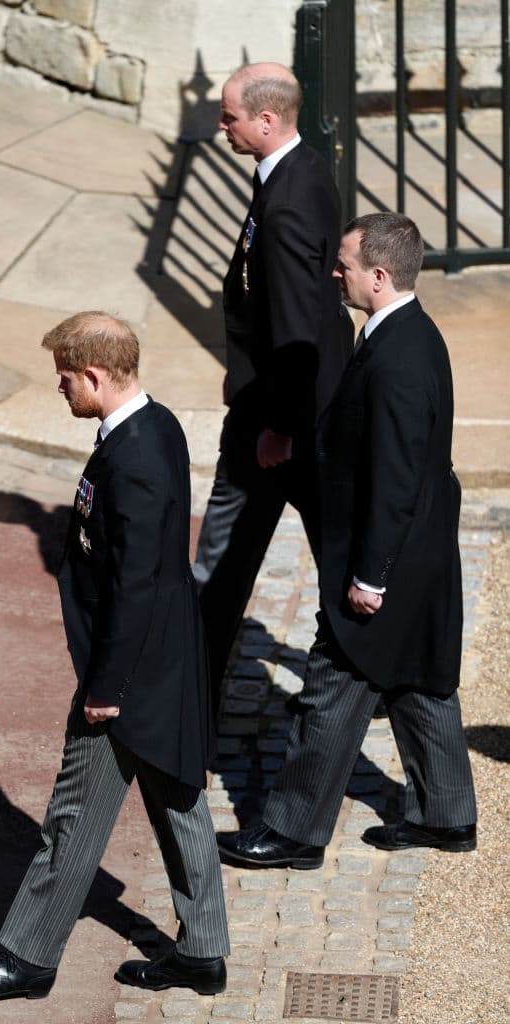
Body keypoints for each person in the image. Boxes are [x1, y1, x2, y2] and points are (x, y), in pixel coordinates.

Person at [0, 312, 230, 1000]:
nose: (60, 389)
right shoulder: (152, 426)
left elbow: (131, 583)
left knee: (71, 817)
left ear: (94, 375)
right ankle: (202, 950)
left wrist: (105, 686)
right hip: (163, 664)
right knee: (177, 799)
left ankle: (25, 957)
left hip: (125, 673)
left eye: (65, 378)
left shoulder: (131, 457)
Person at [217, 213, 477, 869]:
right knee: (417, 682)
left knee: (331, 686)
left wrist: (369, 578)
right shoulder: (404, 335)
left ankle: (292, 832)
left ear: (379, 276)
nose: (335, 273)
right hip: (416, 551)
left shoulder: (397, 362)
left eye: (345, 265)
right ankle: (446, 816)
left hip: (386, 557)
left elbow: (391, 479)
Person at [192, 62, 353, 711]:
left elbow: (292, 333)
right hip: (294, 410)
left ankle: (187, 700)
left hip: (280, 417)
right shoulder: (303, 168)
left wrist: (277, 429)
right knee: (324, 557)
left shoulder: (283, 206)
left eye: (228, 116)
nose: (219, 126)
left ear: (264, 120)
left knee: (221, 559)